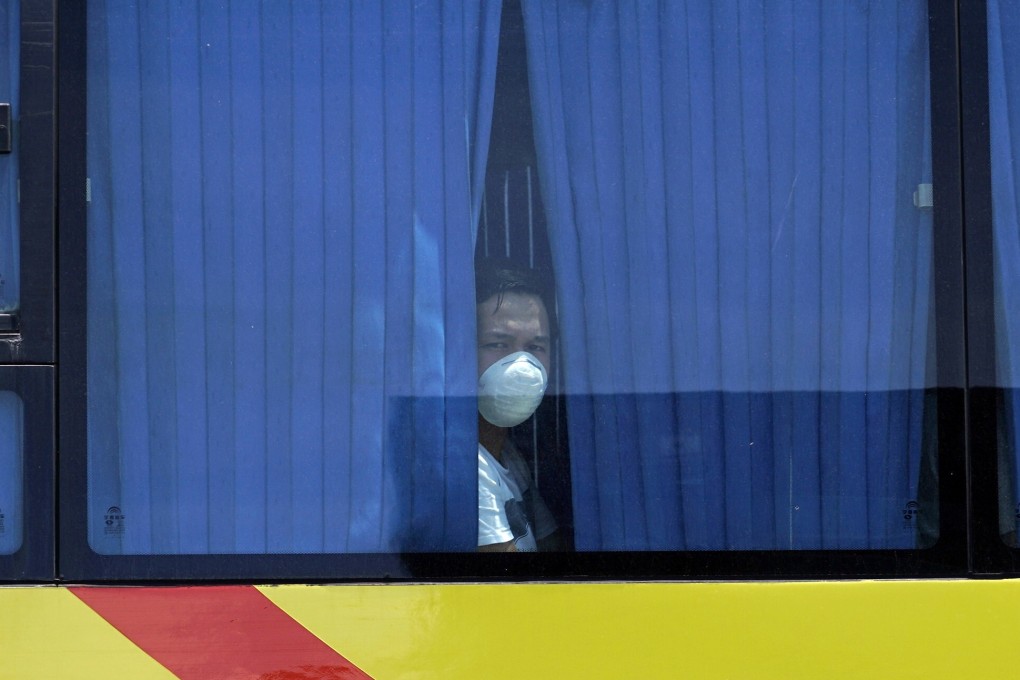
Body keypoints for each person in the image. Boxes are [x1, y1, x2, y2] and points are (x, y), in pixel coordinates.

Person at [475, 260, 560, 552]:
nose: (521, 366)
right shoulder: (469, 468)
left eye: (536, 348)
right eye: (498, 344)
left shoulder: (507, 454)